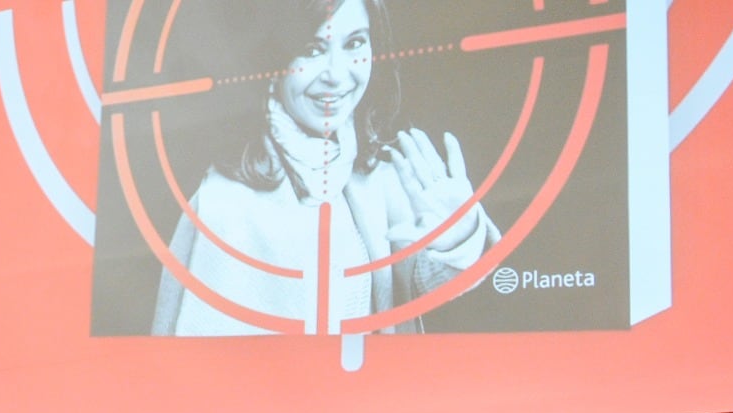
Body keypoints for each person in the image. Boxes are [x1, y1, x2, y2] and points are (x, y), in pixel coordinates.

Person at [151, 0, 500, 336]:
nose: (337, 75)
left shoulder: (377, 173)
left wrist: (459, 234)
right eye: (312, 48)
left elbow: (424, 282)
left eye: (355, 43)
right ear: (272, 59)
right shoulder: (226, 204)